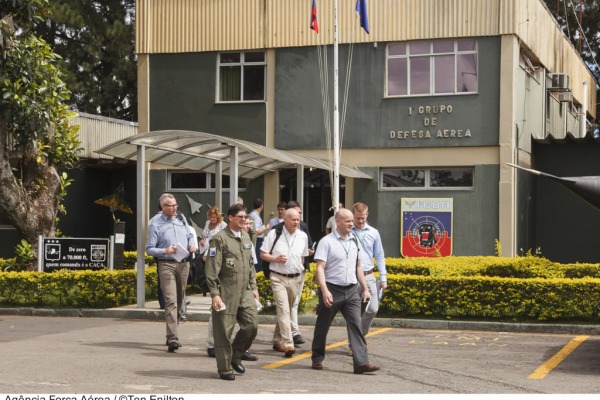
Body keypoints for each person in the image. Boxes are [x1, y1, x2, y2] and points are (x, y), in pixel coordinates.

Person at [310, 208, 380, 374]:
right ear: (338, 222)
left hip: (351, 291)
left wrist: (364, 288)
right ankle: (317, 358)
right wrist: (325, 290)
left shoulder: (354, 241)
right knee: (323, 325)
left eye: (352, 221)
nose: (351, 224)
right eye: (348, 221)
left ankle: (361, 363)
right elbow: (320, 268)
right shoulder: (326, 242)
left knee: (356, 325)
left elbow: (358, 266)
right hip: (332, 289)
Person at [205, 203, 260, 381]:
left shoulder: (245, 237)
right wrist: (215, 293)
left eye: (245, 217)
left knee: (251, 325)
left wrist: (254, 286)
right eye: (240, 217)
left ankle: (236, 355)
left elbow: (250, 265)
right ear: (230, 218)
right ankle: (225, 368)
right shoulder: (219, 239)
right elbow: (212, 268)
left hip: (244, 290)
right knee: (224, 332)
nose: (244, 220)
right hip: (226, 291)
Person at [146, 193, 197, 352]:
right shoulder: (155, 223)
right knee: (171, 301)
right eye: (171, 205)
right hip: (166, 264)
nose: (175, 208)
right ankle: (172, 338)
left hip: (184, 264)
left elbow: (190, 235)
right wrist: (165, 250)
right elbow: (149, 249)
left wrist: (193, 244)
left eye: (176, 205)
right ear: (163, 207)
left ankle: (174, 331)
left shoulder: (181, 218)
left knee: (180, 301)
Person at [260, 208, 308, 357]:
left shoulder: (303, 236)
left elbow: (304, 256)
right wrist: (275, 259)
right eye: (293, 220)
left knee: (286, 310)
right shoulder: (274, 234)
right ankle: (288, 344)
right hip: (278, 277)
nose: (296, 222)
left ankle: (276, 339)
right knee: (284, 309)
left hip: (296, 278)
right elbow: (263, 254)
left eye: (298, 219)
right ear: (285, 220)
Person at [348, 202, 387, 356]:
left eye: (363, 218)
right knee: (353, 313)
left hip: (369, 275)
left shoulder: (373, 232)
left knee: (372, 309)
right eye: (358, 218)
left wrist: (383, 277)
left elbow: (379, 255)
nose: (360, 221)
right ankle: (354, 343)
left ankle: (361, 335)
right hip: (351, 277)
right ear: (353, 216)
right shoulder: (347, 232)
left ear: (367, 215)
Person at [276, 200, 314, 345]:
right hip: (280, 273)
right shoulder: (277, 230)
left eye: (299, 216)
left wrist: (310, 252)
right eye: (294, 217)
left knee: (292, 304)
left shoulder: (303, 227)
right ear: (286, 216)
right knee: (285, 306)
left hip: (299, 270)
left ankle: (279, 337)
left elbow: (308, 245)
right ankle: (293, 335)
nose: (297, 220)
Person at [248, 198, 270, 272]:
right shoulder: (256, 216)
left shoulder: (252, 214)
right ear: (261, 206)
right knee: (258, 260)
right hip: (257, 240)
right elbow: (256, 232)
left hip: (256, 240)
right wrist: (266, 228)